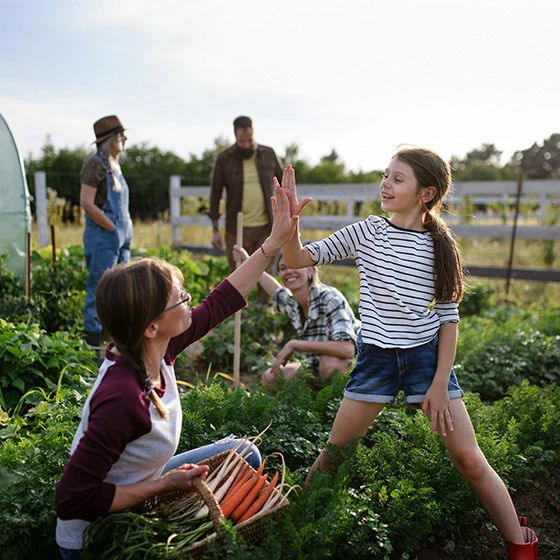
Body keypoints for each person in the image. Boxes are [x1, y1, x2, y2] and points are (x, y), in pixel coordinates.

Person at [275, 151, 538, 559]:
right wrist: (291, 226)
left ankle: (522, 547)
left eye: (398, 179)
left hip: (426, 361)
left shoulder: (441, 246)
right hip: (376, 360)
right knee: (334, 455)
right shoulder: (367, 232)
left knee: (469, 459)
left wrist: (437, 384)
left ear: (425, 193)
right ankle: (289, 534)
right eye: (385, 176)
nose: (385, 184)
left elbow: (449, 321)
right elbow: (297, 259)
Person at [54, 183, 299, 559]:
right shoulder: (122, 398)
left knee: (242, 453)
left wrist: (273, 242)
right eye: (179, 298)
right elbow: (72, 499)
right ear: (151, 326)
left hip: (142, 483)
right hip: (100, 534)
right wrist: (163, 486)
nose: (190, 301)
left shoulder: (155, 348)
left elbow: (221, 301)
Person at [233, 246, 360, 392]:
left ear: (310, 270)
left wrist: (295, 344)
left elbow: (348, 349)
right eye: (283, 268)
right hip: (318, 362)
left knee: (329, 366)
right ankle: (312, 402)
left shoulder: (330, 298)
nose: (289, 271)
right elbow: (275, 290)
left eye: (295, 266)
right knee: (271, 378)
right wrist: (248, 261)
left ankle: (335, 404)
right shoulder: (293, 304)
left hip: (360, 362)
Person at [208, 115, 284, 304]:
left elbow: (285, 185)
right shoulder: (225, 158)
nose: (247, 145)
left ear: (254, 133)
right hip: (237, 228)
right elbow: (215, 193)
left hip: (266, 227)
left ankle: (262, 321)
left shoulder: (268, 154)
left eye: (250, 140)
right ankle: (240, 320)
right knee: (238, 276)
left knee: (266, 274)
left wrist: (286, 216)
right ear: (235, 137)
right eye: (242, 141)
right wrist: (215, 230)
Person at [80, 115, 133, 349]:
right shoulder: (95, 163)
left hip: (123, 235)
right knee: (100, 289)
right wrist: (111, 227)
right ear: (109, 139)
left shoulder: (115, 164)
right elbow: (87, 202)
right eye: (120, 135)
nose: (125, 138)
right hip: (104, 235)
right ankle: (94, 347)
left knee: (121, 288)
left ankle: (116, 343)